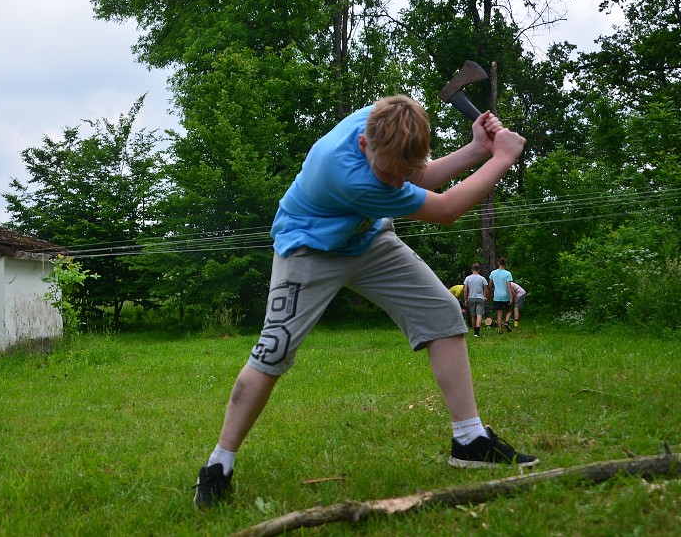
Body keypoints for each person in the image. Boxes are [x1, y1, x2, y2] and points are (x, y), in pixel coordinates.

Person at [192, 95, 539, 509]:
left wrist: (479, 149)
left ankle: (469, 439)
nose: (395, 183)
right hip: (309, 249)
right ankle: (218, 466)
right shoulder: (347, 174)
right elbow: (445, 208)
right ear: (362, 146)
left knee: (442, 312)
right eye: (386, 174)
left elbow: (418, 175)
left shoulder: (384, 123)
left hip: (369, 239)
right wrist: (501, 159)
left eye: (401, 174)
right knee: (274, 350)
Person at [488, 258, 514, 334]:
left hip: (497, 296)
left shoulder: (493, 273)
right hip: (505, 296)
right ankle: (506, 321)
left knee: (499, 314)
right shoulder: (508, 273)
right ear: (505, 264)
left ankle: (500, 331)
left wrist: (491, 293)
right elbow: (509, 286)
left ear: (498, 263)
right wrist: (511, 297)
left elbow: (490, 285)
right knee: (509, 311)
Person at [463, 263, 488, 338]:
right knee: (479, 315)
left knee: (473, 315)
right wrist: (485, 296)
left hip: (471, 297)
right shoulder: (482, 278)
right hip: (480, 298)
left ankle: (474, 331)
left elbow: (465, 290)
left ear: (472, 270)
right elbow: (486, 290)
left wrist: (465, 299)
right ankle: (477, 332)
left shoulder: (467, 278)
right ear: (479, 270)